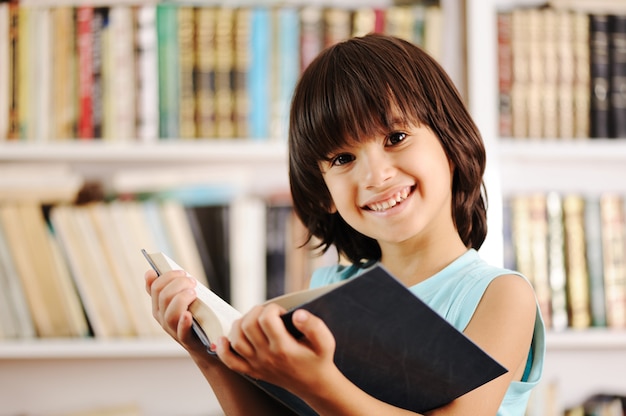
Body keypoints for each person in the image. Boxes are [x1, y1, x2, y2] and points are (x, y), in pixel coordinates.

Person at [145, 33, 545, 416]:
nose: (375, 176)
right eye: (342, 159)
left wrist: (317, 382)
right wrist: (211, 356)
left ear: (451, 145)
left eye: (396, 137)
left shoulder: (501, 296)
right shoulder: (327, 293)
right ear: (324, 194)